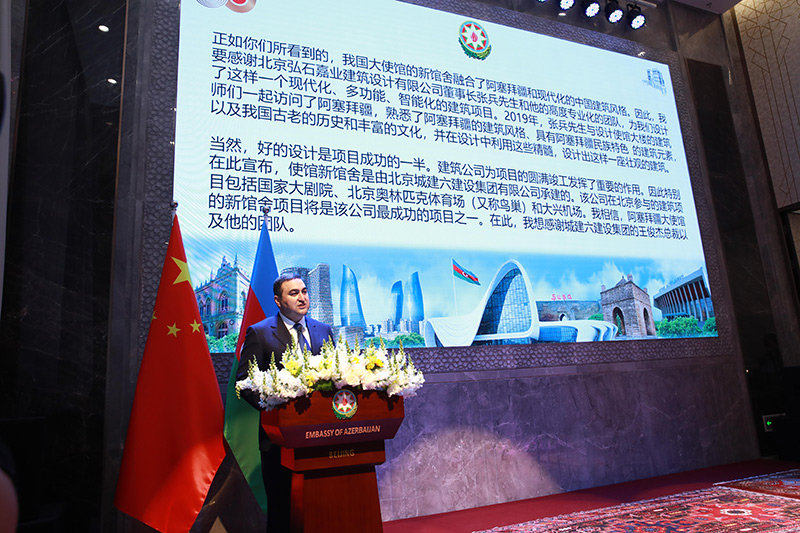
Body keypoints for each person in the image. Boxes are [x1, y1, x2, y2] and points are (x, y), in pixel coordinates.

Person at [235, 272, 334, 532]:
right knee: (283, 513)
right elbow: (243, 382)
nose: (302, 298)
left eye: (304, 291)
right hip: (279, 442)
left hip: (321, 438)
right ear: (278, 301)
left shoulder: (323, 330)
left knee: (320, 510)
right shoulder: (260, 333)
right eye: (294, 293)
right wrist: (274, 409)